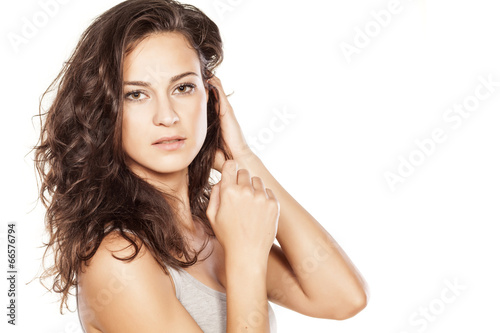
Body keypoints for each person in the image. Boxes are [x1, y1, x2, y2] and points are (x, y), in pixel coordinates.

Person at [32, 0, 369, 332]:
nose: (167, 116)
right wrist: (246, 259)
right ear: (104, 111)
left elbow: (343, 298)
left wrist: (245, 157)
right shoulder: (119, 258)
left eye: (183, 88)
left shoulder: (213, 228)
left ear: (210, 98)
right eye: (135, 94)